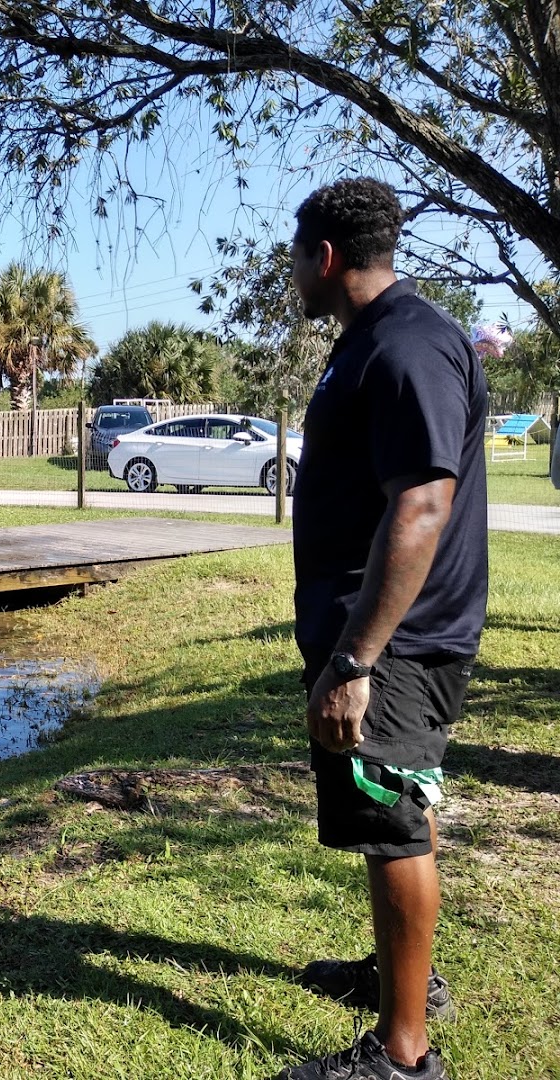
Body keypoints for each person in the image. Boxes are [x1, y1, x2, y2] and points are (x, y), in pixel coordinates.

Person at [280, 178, 488, 1080]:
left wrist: (357, 658)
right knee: (394, 811)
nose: (293, 273)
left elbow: (423, 505)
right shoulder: (371, 341)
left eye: (296, 256)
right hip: (369, 635)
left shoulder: (406, 345)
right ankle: (401, 979)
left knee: (395, 816)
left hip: (394, 644)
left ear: (324, 257)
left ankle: (404, 1057)